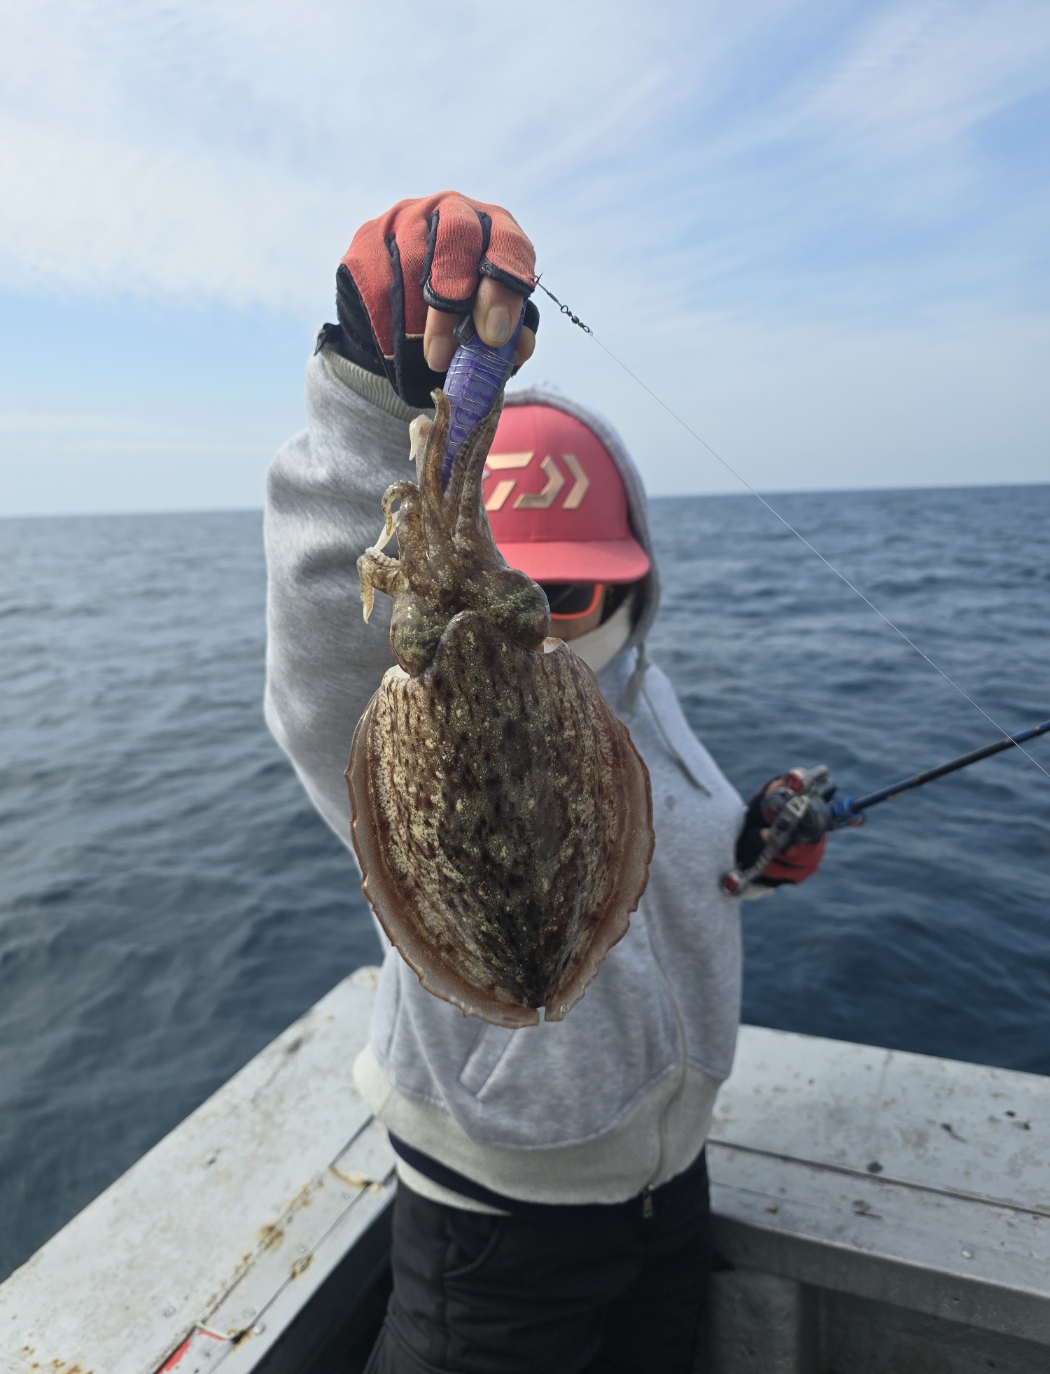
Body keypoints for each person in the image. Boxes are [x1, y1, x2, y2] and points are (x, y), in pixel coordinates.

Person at [263, 193, 825, 1374]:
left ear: (633, 588)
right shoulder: (388, 696)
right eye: (535, 591)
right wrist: (369, 397)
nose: (550, 620)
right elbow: (323, 677)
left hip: (669, 1177)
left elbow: (651, 851)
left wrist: (752, 847)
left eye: (564, 594)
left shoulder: (644, 701)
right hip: (493, 1213)